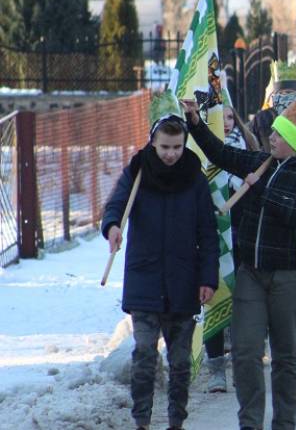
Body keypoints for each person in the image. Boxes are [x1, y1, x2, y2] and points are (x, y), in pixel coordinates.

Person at [182, 99, 296, 430]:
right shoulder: (262, 162)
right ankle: (250, 423)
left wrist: (258, 189)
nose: (271, 138)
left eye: (279, 135)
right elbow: (220, 154)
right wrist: (194, 121)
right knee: (246, 352)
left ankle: (284, 423)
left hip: (293, 276)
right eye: (272, 133)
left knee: (286, 355)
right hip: (252, 274)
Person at [102, 104, 218, 430]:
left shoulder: (194, 179)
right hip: (145, 279)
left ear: (184, 144)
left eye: (177, 147)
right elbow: (116, 204)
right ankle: (141, 420)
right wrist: (112, 226)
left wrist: (208, 277)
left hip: (184, 281)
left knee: (180, 362)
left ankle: (176, 421)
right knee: (143, 354)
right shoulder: (138, 172)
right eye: (165, 147)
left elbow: (208, 233)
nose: (170, 154)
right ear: (154, 142)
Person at [204, 103, 258, 395]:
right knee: (214, 299)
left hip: (242, 239)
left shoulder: (247, 149)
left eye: (228, 116)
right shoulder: (202, 154)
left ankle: (241, 365)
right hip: (213, 239)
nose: (224, 123)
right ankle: (215, 370)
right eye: (217, 117)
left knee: (242, 306)